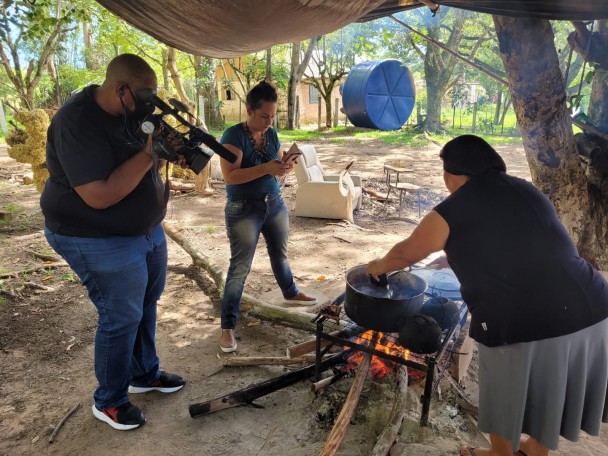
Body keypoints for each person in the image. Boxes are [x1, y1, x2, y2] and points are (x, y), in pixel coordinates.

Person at [366, 135, 608, 456]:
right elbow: (521, 245)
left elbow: (404, 254)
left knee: (503, 388)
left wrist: (377, 266)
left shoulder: (453, 208)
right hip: (591, 305)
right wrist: (452, 256)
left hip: (520, 317)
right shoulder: (526, 190)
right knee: (550, 386)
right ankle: (533, 451)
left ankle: (500, 453)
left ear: (450, 174)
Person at [40, 54, 186, 431]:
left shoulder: (134, 111)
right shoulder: (76, 121)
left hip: (146, 231)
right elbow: (99, 195)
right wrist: (150, 152)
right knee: (121, 316)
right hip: (92, 234)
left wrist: (173, 150)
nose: (150, 103)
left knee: (146, 304)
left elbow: (145, 161)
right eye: (146, 95)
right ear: (120, 89)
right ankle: (110, 401)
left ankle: (143, 374)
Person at [218, 80, 317, 353]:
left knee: (280, 254)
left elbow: (274, 167)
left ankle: (290, 292)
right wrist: (266, 168)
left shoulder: (271, 135)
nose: (269, 121)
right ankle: (227, 327)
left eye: (273, 116)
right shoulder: (232, 136)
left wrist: (285, 166)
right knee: (239, 269)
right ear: (249, 109)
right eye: (264, 116)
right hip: (243, 209)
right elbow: (231, 176)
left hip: (274, 202)